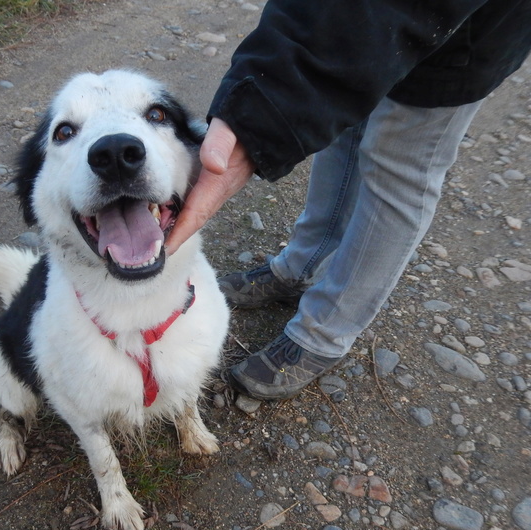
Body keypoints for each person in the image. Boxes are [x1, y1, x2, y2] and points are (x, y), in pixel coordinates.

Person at [165, 0, 531, 401]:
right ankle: (302, 267)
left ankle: (325, 331)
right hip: (366, 17)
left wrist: (260, 112)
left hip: (470, 29)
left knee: (403, 162)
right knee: (347, 127)